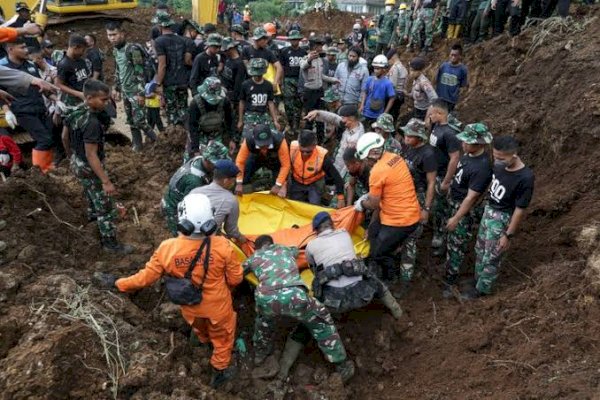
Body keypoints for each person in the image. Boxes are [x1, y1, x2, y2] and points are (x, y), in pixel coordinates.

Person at [93, 193, 243, 388]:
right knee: (223, 340)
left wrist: (118, 283)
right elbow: (236, 278)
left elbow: (144, 278)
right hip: (218, 308)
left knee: (199, 328)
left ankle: (203, 342)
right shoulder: (223, 246)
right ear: (210, 221)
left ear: (182, 219)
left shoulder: (167, 248)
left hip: (189, 307)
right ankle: (219, 374)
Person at [243, 234, 353, 381]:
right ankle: (341, 364)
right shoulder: (284, 249)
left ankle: (260, 355)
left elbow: (238, 272)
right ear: (272, 243)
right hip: (294, 295)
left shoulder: (253, 258)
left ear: (256, 248)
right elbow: (297, 250)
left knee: (263, 324)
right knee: (322, 321)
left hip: (267, 298)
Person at [62, 79, 134, 254]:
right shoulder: (92, 123)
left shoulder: (75, 111)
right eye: (103, 100)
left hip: (77, 162)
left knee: (90, 192)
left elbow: (65, 136)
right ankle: (110, 243)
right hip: (89, 165)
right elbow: (91, 154)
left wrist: (70, 156)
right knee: (106, 207)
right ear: (89, 98)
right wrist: (106, 181)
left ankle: (93, 217)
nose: (107, 102)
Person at [465, 136, 534, 298]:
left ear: (514, 155)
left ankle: (482, 289)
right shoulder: (499, 166)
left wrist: (508, 234)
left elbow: (520, 209)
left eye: (501, 158)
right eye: (495, 156)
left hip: (502, 218)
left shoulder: (525, 178)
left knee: (493, 256)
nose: (497, 161)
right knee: (481, 249)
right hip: (489, 210)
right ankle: (477, 279)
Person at [306, 211, 404, 318]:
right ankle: (397, 311)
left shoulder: (311, 245)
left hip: (335, 304)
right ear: (332, 224)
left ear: (316, 230)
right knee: (377, 283)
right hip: (363, 295)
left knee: (317, 284)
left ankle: (325, 323)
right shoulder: (344, 233)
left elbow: (313, 269)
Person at [354, 132, 421, 282]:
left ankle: (390, 278)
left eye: (366, 159)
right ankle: (379, 261)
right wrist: (372, 227)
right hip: (402, 211)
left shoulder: (377, 172)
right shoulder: (394, 157)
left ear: (371, 155)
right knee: (372, 235)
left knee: (379, 252)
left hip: (401, 220)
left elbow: (374, 204)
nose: (365, 162)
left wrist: (361, 203)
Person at [443, 123, 493, 297]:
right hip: (454, 201)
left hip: (463, 209)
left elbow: (471, 197)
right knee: (450, 240)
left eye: (467, 142)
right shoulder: (469, 155)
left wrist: (457, 217)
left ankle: (450, 281)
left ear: (479, 144)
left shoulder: (482, 167)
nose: (463, 144)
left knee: (457, 244)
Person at [0, 39, 64, 173]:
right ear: (10, 49)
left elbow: (41, 87)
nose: (26, 50)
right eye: (22, 47)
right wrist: (7, 111)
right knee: (44, 139)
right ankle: (41, 171)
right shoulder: (3, 67)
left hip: (39, 107)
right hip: (23, 111)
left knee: (50, 138)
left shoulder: (30, 64)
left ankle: (49, 166)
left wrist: (56, 100)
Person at [106, 22, 158, 152]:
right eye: (109, 35)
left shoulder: (132, 50)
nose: (112, 38)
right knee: (131, 121)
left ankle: (157, 142)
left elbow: (140, 72)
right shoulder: (116, 50)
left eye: (114, 34)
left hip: (136, 91)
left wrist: (141, 93)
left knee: (140, 120)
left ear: (122, 33)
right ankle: (138, 146)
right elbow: (118, 70)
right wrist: (116, 87)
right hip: (126, 91)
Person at [398, 118, 437, 288]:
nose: (406, 137)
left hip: (417, 197)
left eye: (410, 135)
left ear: (419, 137)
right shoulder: (409, 148)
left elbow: (431, 183)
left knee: (411, 238)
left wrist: (426, 209)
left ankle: (405, 279)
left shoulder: (427, 155)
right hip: (404, 195)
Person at [427, 99, 462, 254]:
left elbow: (454, 158)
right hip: (433, 172)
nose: (429, 115)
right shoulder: (436, 126)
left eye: (432, 113)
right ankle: (436, 229)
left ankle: (440, 235)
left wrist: (447, 181)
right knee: (435, 205)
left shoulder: (449, 134)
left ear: (440, 114)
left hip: (442, 176)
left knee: (441, 208)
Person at [190, 160, 247, 244]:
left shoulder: (194, 192)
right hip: (208, 243)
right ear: (226, 181)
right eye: (233, 180)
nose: (233, 182)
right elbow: (231, 231)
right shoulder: (231, 200)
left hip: (186, 237)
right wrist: (243, 239)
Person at [153, 11, 193, 126]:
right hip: (182, 81)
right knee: (183, 110)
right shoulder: (182, 40)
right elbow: (186, 59)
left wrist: (158, 83)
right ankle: (187, 136)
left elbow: (162, 64)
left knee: (172, 112)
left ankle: (175, 137)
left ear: (160, 26)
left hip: (169, 83)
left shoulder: (159, 41)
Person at [304, 104, 364, 178]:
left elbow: (347, 163)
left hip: (343, 170)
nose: (341, 120)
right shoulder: (352, 125)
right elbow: (334, 119)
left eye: (342, 118)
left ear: (351, 118)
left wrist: (338, 178)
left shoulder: (355, 140)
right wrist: (318, 113)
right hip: (337, 164)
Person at [288, 130, 345, 207]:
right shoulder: (291, 148)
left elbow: (336, 177)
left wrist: (340, 198)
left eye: (308, 152)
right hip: (297, 182)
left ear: (314, 145)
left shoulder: (322, 156)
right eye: (302, 151)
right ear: (299, 144)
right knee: (295, 205)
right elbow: (284, 167)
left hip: (315, 183)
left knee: (314, 205)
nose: (305, 154)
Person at [235, 124, 291, 197]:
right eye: (261, 145)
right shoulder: (248, 140)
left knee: (281, 188)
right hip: (256, 157)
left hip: (275, 160)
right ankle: (245, 187)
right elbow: (240, 162)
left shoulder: (280, 140)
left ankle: (280, 187)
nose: (264, 149)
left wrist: (279, 185)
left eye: (267, 145)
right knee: (246, 167)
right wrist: (239, 182)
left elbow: (285, 165)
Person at [187, 77, 233, 156]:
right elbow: (192, 127)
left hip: (218, 134)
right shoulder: (195, 103)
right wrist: (196, 149)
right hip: (200, 135)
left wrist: (233, 139)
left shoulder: (224, 101)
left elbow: (230, 120)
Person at [238, 58, 281, 136]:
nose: (257, 76)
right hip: (250, 115)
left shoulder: (268, 85)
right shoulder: (246, 84)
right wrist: (240, 120)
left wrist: (275, 120)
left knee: (272, 135)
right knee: (247, 139)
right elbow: (242, 102)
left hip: (264, 114)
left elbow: (270, 102)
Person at [279, 30, 307, 136]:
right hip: (288, 80)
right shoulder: (284, 51)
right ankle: (290, 125)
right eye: (292, 39)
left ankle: (297, 126)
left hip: (300, 80)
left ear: (299, 40)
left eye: (296, 39)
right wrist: (281, 83)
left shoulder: (303, 52)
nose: (294, 41)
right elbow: (281, 68)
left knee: (299, 104)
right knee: (288, 104)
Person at [242, 27, 283, 95]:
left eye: (266, 38)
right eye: (263, 39)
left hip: (264, 85)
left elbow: (279, 67)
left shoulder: (268, 52)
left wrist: (275, 82)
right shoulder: (246, 50)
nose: (266, 41)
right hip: (251, 86)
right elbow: (247, 68)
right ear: (257, 39)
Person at [56, 34, 93, 106]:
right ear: (76, 48)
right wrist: (78, 94)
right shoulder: (64, 64)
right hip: (73, 101)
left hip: (85, 97)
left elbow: (87, 78)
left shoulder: (81, 61)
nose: (83, 53)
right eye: (83, 50)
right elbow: (59, 84)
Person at [360, 55, 395, 127]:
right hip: (366, 111)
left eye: (378, 69)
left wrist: (385, 112)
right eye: (374, 68)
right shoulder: (370, 79)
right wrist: (362, 105)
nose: (375, 71)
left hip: (378, 114)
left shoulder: (387, 83)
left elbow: (392, 98)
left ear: (384, 69)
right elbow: (365, 92)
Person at [435, 44, 468, 112]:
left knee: (446, 118)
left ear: (460, 56)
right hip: (440, 97)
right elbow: (437, 80)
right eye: (451, 55)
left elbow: (462, 86)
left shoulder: (462, 69)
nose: (453, 57)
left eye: (455, 55)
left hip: (451, 100)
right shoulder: (443, 66)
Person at [387, 48, 408, 119]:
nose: (388, 62)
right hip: (401, 95)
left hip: (395, 96)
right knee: (395, 115)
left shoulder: (395, 68)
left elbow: (392, 85)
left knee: (390, 116)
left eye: (389, 60)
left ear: (392, 58)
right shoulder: (403, 67)